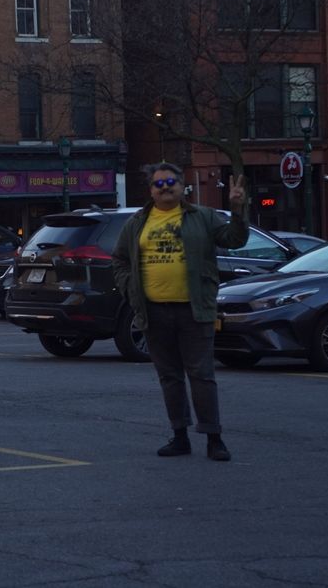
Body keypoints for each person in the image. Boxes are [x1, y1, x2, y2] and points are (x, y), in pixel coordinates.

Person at [112, 162, 248, 461]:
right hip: (153, 312)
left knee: (202, 375)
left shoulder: (203, 217)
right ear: (151, 190)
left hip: (194, 309)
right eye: (158, 184)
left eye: (170, 182)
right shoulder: (137, 223)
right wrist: (130, 290)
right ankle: (179, 436)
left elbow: (235, 240)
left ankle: (214, 438)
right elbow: (120, 260)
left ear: (182, 185)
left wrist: (237, 210)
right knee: (170, 377)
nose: (165, 188)